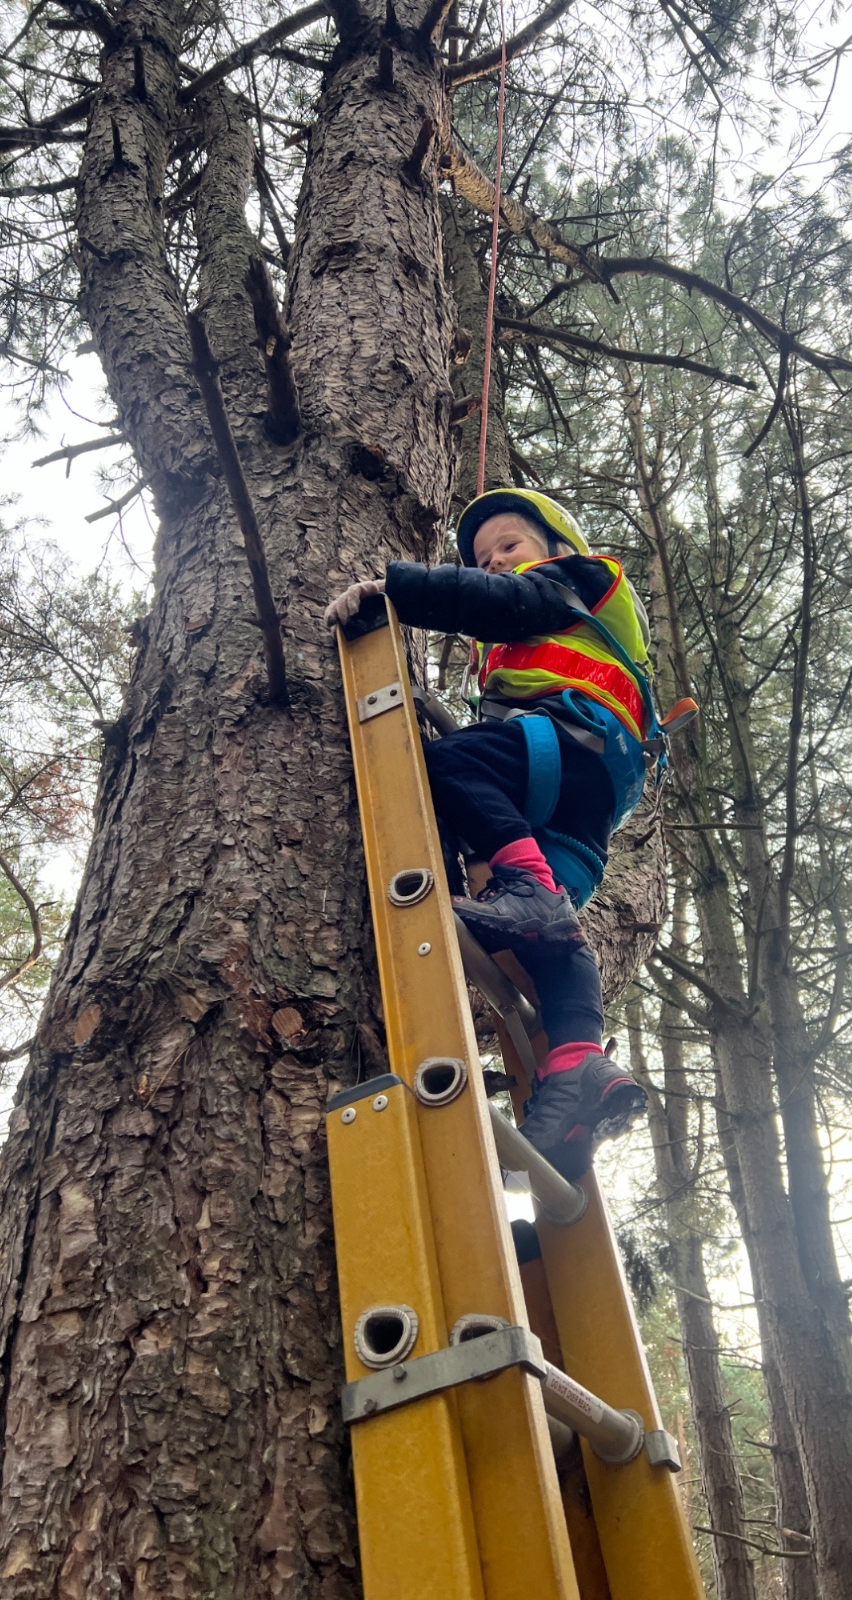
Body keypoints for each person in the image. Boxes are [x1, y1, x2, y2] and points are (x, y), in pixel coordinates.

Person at [325, 489, 655, 1179]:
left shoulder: (579, 580)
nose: (497, 561)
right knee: (552, 938)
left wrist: (398, 590)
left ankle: (526, 883)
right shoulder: (540, 638)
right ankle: (578, 1067)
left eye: (510, 545)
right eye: (483, 557)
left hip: (573, 740)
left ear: (556, 547)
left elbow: (506, 603)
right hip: (580, 799)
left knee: (449, 762)